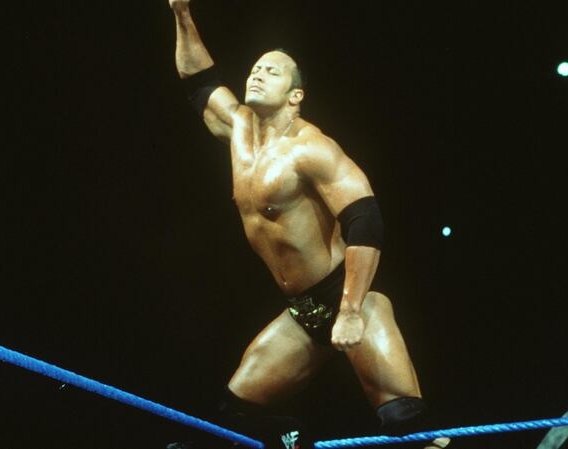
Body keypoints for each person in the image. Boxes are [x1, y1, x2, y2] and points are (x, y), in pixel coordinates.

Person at [168, 1, 449, 448]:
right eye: (256, 68)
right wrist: (181, 12)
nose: (257, 74)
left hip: (346, 294)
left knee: (407, 426)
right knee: (233, 415)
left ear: (295, 96)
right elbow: (199, 80)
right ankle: (296, 440)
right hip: (303, 313)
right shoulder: (239, 130)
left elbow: (365, 217)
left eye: (273, 71)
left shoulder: (310, 148)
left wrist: (352, 310)